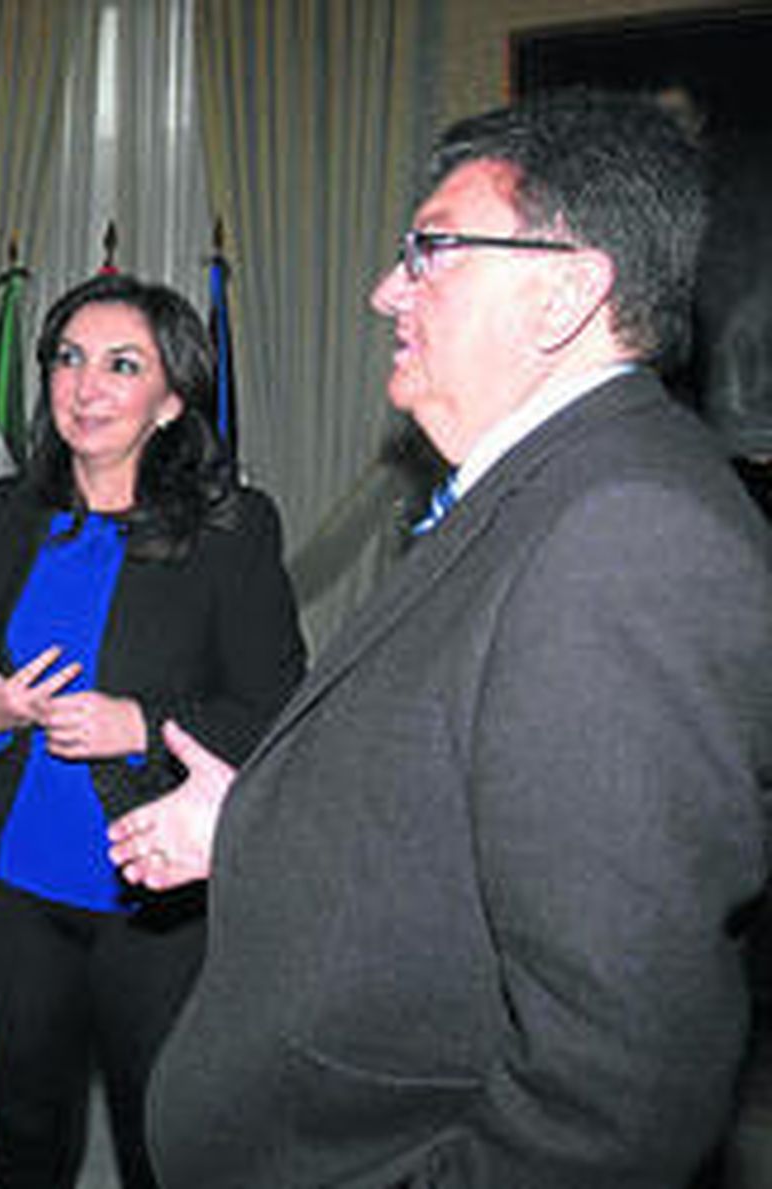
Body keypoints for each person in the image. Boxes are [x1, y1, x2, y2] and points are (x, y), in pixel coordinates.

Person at [108, 89, 772, 1188]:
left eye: (428, 253)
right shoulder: (545, 489)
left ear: (562, 291)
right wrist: (254, 822)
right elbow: (444, 818)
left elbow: (617, 1096)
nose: (385, 290)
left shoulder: (631, 537)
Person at [0, 272, 306, 1188]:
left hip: (155, 906)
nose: (85, 386)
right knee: (26, 1143)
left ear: (172, 400)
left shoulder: (233, 530)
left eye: (121, 365)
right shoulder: (8, 513)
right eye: (68, 359)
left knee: (162, 1151)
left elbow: (279, 714)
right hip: (17, 891)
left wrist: (139, 722)